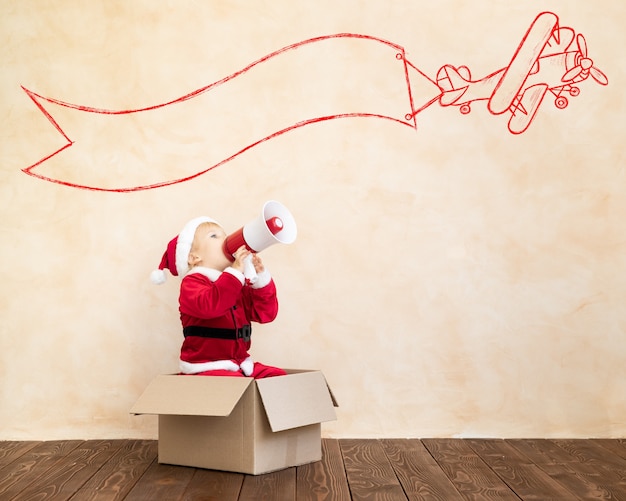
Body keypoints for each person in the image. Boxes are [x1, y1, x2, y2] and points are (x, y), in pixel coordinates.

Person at [151, 216, 287, 378]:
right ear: (194, 257)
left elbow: (265, 314)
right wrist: (235, 273)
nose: (225, 240)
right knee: (235, 386)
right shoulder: (193, 282)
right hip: (205, 366)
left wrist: (260, 280)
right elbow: (211, 306)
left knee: (277, 375)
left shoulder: (234, 283)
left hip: (240, 363)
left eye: (224, 235)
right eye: (214, 236)